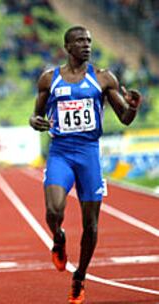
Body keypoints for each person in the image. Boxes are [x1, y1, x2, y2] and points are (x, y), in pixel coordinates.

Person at [29, 26, 142, 304]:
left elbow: (125, 118)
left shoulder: (103, 78)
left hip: (89, 154)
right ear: (67, 46)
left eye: (89, 41)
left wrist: (134, 106)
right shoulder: (49, 79)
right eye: (80, 41)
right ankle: (59, 237)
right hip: (61, 153)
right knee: (53, 211)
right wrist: (35, 122)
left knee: (91, 225)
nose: (86, 45)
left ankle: (79, 276)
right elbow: (36, 116)